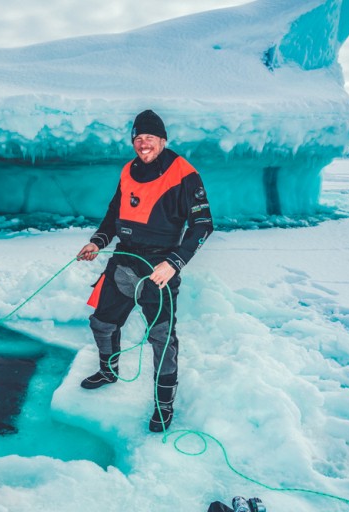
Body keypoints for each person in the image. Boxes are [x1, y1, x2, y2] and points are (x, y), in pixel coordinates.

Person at [76, 109, 213, 432]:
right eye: (138, 139)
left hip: (159, 268)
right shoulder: (128, 171)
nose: (143, 144)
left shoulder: (183, 173)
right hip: (123, 260)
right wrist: (98, 242)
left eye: (149, 138)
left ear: (163, 140)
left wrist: (174, 263)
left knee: (162, 338)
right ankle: (109, 371)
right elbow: (113, 215)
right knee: (102, 322)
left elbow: (204, 226)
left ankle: (164, 406)